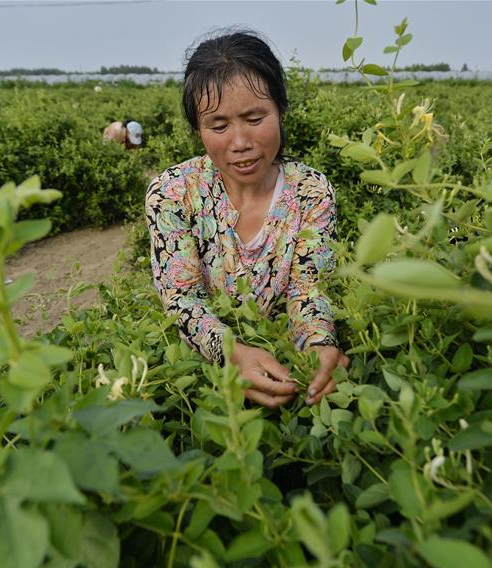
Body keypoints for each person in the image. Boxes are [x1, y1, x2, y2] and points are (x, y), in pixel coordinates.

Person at [145, 30, 349, 409]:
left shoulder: (311, 191)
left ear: (280, 112)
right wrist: (231, 353)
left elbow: (308, 289)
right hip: (203, 385)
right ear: (198, 130)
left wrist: (320, 347)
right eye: (218, 126)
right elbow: (182, 297)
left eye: (255, 118)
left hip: (288, 368)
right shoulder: (173, 192)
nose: (240, 142)